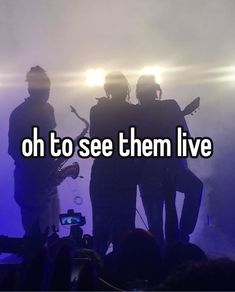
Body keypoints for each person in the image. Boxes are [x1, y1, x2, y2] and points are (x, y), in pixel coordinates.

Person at [135, 75, 203, 247]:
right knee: (195, 187)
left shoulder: (134, 112)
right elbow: (185, 138)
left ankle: (177, 240)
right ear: (156, 90)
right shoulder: (170, 106)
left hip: (150, 174)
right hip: (170, 169)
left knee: (156, 226)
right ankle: (182, 235)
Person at [89, 72, 137, 256]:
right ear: (125, 88)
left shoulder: (97, 109)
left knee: (100, 229)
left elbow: (95, 139)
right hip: (124, 174)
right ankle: (122, 273)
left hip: (103, 172)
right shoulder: (133, 111)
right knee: (124, 230)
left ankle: (96, 274)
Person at [8, 66, 59, 234]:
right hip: (31, 182)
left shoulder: (49, 109)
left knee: (51, 232)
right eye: (44, 88)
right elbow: (14, 149)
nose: (47, 92)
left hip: (47, 180)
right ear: (31, 89)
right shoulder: (20, 113)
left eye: (48, 88)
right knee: (35, 237)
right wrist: (39, 167)